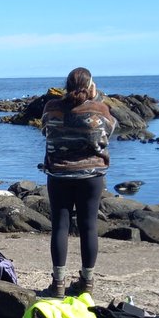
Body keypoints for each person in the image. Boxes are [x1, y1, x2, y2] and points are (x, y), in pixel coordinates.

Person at [41, 67, 117, 298]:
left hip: (60, 174)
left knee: (60, 227)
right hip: (91, 176)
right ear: (91, 86)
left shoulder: (51, 108)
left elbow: (45, 131)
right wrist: (97, 98)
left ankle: (58, 284)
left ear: (66, 85)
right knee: (89, 227)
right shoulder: (100, 109)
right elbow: (110, 131)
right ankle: (87, 283)